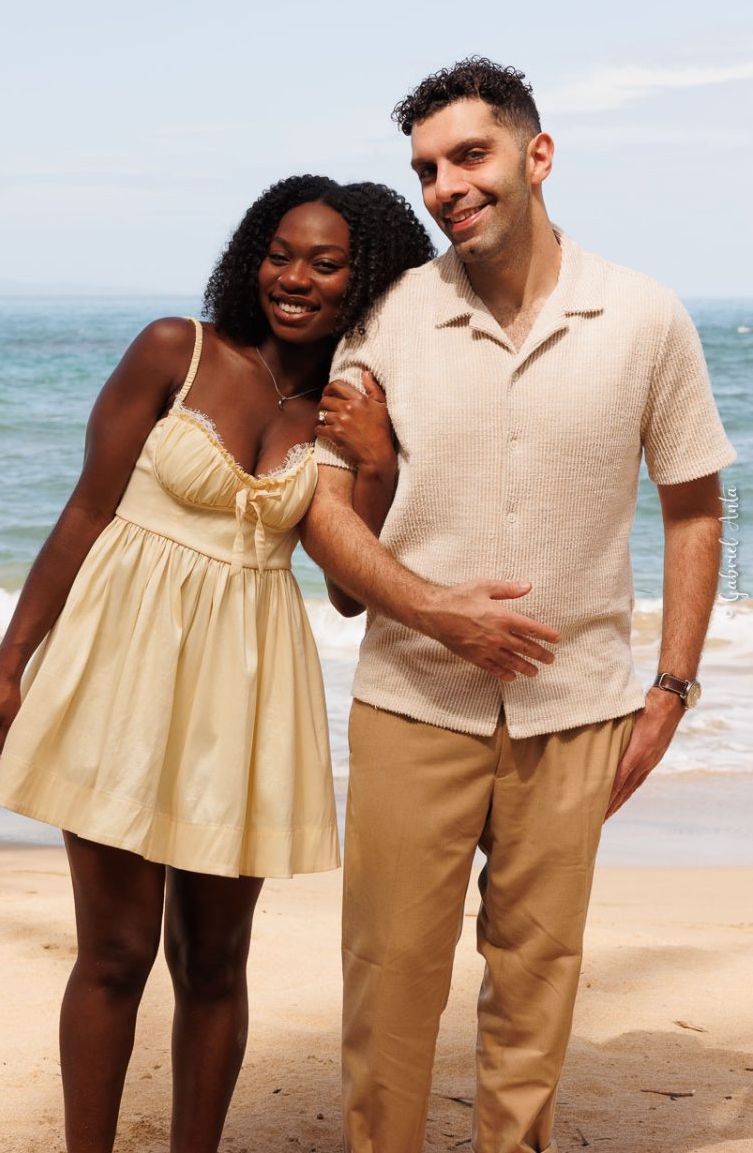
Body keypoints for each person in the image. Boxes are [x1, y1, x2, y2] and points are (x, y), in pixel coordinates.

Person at [303, 58, 735, 1153]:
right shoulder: (391, 317)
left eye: (468, 156)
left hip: (577, 712)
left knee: (534, 991)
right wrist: (437, 611)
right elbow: (325, 510)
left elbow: (694, 512)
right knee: (387, 987)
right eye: (425, 169)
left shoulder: (644, 317)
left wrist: (667, 695)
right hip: (412, 703)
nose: (445, 184)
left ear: (534, 157)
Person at [0, 174, 435, 1153]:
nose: (293, 277)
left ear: (365, 284)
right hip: (119, 672)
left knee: (215, 963)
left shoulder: (345, 410)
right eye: (280, 252)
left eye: (324, 263)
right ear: (253, 251)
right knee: (115, 954)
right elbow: (86, 514)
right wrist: (9, 666)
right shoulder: (174, 351)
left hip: (248, 691)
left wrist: (379, 464)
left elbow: (348, 591)